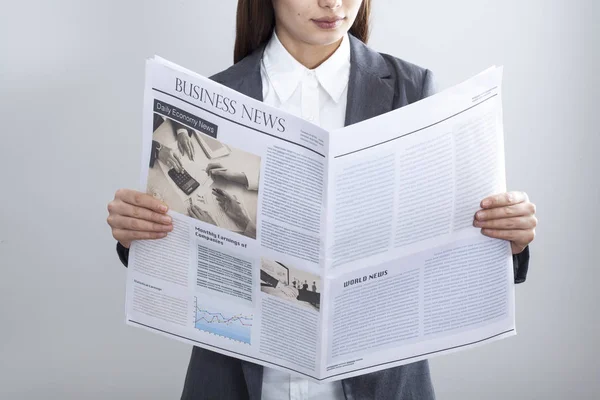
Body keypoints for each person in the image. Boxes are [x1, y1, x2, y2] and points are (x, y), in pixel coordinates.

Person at [106, 0, 538, 398]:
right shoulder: (213, 96)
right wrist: (139, 235)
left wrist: (506, 239)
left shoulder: (413, 90)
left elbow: (446, 240)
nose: (332, 2)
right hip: (238, 380)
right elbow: (188, 252)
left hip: (381, 384)